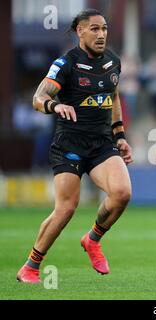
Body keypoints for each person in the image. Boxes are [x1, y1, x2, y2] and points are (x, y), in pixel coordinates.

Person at [16, 9, 133, 283]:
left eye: (103, 28)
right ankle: (31, 266)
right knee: (66, 208)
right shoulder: (66, 63)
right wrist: (56, 105)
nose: (101, 34)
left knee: (122, 193)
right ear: (80, 31)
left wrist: (119, 135)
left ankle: (93, 239)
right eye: (94, 29)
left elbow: (113, 97)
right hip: (70, 143)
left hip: (102, 143)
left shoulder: (113, 62)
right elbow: (38, 97)